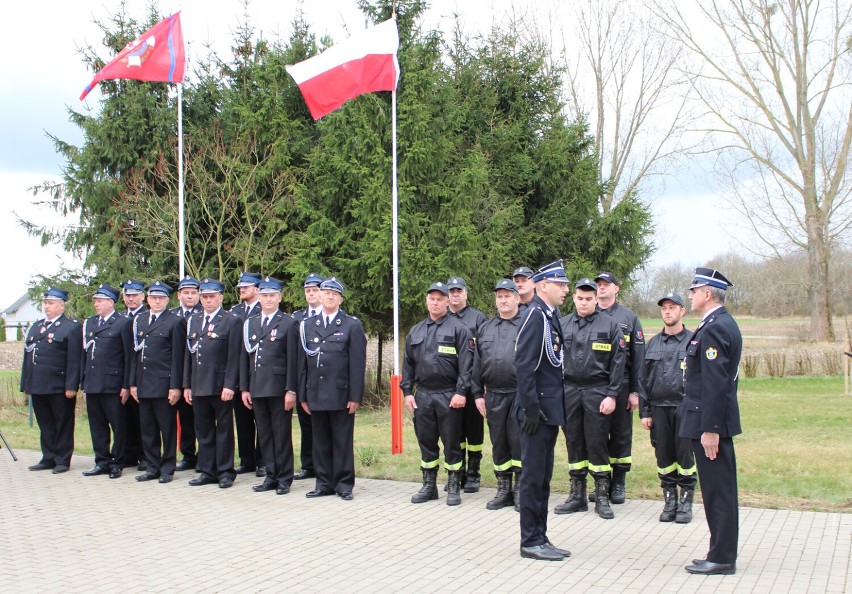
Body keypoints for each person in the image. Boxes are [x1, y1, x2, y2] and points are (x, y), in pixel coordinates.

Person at [681, 268, 742, 576]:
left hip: (711, 425)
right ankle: (718, 551)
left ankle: (721, 557)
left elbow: (716, 384)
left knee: (719, 492)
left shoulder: (716, 328)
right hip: (709, 421)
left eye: (694, 291)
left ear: (707, 294)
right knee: (717, 491)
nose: (690, 295)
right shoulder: (715, 324)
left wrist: (710, 429)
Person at [513, 261, 571, 561]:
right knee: (533, 477)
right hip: (537, 411)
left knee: (543, 477)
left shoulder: (549, 315)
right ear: (543, 285)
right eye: (560, 284)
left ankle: (541, 536)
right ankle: (530, 540)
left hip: (548, 409)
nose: (566, 289)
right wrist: (531, 408)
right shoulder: (535, 316)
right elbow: (524, 366)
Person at [554, 278, 626, 520]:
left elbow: (618, 364)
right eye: (580, 298)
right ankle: (577, 495)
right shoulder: (562, 325)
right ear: (574, 298)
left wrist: (612, 394)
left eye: (589, 298)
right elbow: (554, 362)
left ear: (596, 299)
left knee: (597, 443)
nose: (584, 303)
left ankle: (602, 496)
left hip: (598, 391)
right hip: (569, 391)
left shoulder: (610, 326)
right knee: (573, 441)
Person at [402, 281, 473, 506]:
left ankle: (454, 485)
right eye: (431, 298)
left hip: (448, 394)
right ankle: (429, 485)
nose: (435, 302)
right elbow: (408, 365)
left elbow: (467, 364)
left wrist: (461, 392)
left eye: (440, 299)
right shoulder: (416, 330)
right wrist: (407, 392)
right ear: (426, 301)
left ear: (446, 301)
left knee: (452, 442)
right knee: (426, 441)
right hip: (422, 395)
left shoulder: (458, 329)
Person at [297, 277, 366, 501]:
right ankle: (323, 483)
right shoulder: (308, 325)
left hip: (341, 393)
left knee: (342, 440)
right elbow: (303, 364)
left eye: (334, 294)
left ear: (340, 299)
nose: (329, 296)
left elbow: (357, 364)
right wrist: (303, 394)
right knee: (320, 440)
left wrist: (355, 396)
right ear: (319, 295)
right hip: (315, 392)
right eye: (325, 292)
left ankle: (344, 484)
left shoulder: (351, 325)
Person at [640, 293, 696, 523]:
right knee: (663, 456)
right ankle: (669, 499)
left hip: (684, 408)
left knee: (685, 457)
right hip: (658, 409)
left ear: (682, 311)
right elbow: (642, 381)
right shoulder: (652, 344)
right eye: (664, 308)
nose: (667, 311)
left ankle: (686, 501)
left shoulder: (694, 341)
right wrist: (644, 412)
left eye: (672, 307)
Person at [240, 277, 299, 495]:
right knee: (264, 434)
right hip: (257, 386)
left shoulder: (288, 323)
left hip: (278, 388)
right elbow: (245, 359)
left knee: (281, 434)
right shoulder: (251, 323)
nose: (268, 299)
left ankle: (284, 478)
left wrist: (291, 389)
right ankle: (271, 475)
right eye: (264, 295)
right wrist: (245, 388)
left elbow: (294, 359)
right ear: (259, 297)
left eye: (272, 295)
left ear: (279, 298)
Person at [184, 279, 243, 489]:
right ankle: (207, 470)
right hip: (198, 384)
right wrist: (187, 385)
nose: (208, 301)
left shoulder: (231, 321)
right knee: (204, 431)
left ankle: (226, 471)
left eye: (212, 297)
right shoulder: (193, 320)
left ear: (221, 297)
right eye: (205, 297)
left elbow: (234, 357)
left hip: (220, 386)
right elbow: (188, 355)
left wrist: (230, 384)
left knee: (224, 430)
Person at [472, 279, 524, 511]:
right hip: (493, 395)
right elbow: (476, 363)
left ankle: (522, 489)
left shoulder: (527, 325)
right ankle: (503, 489)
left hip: (520, 395)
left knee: (519, 442)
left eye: (507, 296)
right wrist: (477, 393)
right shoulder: (486, 327)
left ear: (517, 298)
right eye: (499, 296)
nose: (503, 300)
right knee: (499, 442)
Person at [594, 271, 645, 504]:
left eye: (607, 284)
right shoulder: (588, 315)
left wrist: (635, 391)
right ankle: (602, 482)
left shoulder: (629, 318)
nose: (602, 288)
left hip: (623, 384)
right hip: (596, 384)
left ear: (617, 288)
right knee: (597, 435)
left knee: (621, 434)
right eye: (599, 285)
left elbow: (638, 357)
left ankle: (619, 482)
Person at [20, 287, 82, 474]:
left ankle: (62, 459)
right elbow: (28, 358)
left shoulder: (71, 327)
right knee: (45, 423)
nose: (47, 306)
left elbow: (74, 359)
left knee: (62, 422)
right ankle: (48, 457)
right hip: (38, 384)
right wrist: (26, 383)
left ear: (61, 306)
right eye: (45, 303)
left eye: (51, 303)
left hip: (59, 385)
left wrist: (72, 385)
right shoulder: (36, 326)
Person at [129, 281, 186, 484]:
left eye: (161, 298)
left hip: (164, 385)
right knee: (148, 429)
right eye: (153, 298)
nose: (157, 301)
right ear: (147, 300)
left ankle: (167, 468)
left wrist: (175, 386)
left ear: (167, 300)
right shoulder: (140, 320)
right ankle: (152, 466)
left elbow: (177, 358)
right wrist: (133, 384)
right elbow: (135, 355)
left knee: (167, 429)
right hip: (144, 383)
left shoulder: (175, 321)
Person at [81, 284, 133, 479]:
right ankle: (101, 461)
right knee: (97, 425)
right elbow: (85, 355)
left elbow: (128, 357)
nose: (96, 304)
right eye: (95, 300)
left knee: (118, 425)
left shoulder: (122, 323)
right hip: (93, 383)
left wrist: (126, 385)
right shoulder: (91, 323)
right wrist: (83, 381)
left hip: (113, 384)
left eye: (100, 300)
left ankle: (117, 462)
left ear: (111, 302)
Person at [446, 276, 487, 493]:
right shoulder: (441, 318)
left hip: (472, 384)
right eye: (451, 291)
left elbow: (484, 352)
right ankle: (457, 473)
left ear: (465, 293)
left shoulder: (478, 318)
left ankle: (473, 473)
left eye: (458, 291)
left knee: (474, 431)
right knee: (454, 431)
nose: (455, 295)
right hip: (448, 385)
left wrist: (482, 383)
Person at [289, 272, 324, 481]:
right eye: (308, 291)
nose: (311, 294)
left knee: (322, 426)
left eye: (315, 290)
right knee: (305, 424)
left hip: (323, 380)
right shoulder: (297, 318)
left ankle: (322, 465)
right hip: (304, 379)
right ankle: (308, 465)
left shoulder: (330, 315)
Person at [230, 271, 264, 477]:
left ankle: (262, 460)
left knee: (261, 420)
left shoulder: (265, 309)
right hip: (238, 374)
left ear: (257, 289)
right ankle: (246, 459)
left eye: (247, 286)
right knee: (242, 420)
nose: (242, 289)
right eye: (241, 286)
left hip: (259, 373)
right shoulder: (234, 312)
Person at [171, 276, 202, 471]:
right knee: (185, 419)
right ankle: (188, 455)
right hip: (179, 373)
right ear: (179, 295)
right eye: (186, 293)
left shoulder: (204, 314)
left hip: (198, 374)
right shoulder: (173, 316)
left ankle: (204, 456)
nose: (190, 296)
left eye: (193, 293)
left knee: (201, 420)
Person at [120, 279, 147, 470]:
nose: (131, 299)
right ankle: (128, 454)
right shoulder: (120, 318)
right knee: (125, 419)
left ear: (142, 297)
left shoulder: (147, 317)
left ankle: (144, 456)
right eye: (127, 295)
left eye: (134, 295)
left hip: (140, 377)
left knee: (142, 421)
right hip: (120, 377)